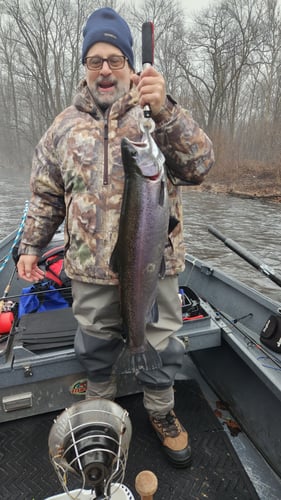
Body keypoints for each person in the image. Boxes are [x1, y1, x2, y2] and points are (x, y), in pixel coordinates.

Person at [17, 7, 214, 468]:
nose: (104, 69)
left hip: (152, 263)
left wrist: (164, 109)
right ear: (85, 68)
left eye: (114, 59)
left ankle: (161, 412)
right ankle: (102, 412)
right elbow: (45, 194)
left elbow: (200, 166)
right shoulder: (62, 127)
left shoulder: (154, 116)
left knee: (160, 339)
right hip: (88, 267)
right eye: (94, 60)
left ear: (129, 64)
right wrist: (30, 246)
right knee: (94, 344)